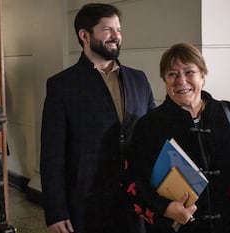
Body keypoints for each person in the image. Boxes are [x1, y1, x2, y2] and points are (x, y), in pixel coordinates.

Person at [124, 43, 230, 233]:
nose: (181, 81)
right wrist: (165, 208)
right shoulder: (150, 126)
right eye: (173, 74)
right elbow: (133, 183)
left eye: (189, 72)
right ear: (164, 79)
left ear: (202, 76)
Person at [40, 3, 156, 233]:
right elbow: (51, 155)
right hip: (87, 206)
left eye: (119, 30)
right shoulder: (61, 86)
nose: (116, 36)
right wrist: (56, 210)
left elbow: (154, 134)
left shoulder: (139, 80)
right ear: (84, 35)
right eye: (107, 29)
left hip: (136, 203)